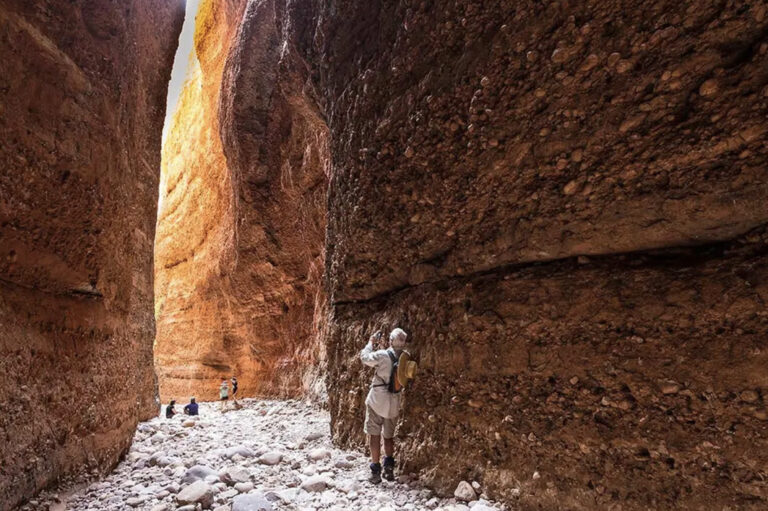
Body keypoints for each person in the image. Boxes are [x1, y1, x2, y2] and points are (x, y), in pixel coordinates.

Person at [360, 327, 408, 484]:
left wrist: (370, 343)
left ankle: (375, 471)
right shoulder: (406, 358)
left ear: (391, 341)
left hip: (377, 401)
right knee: (388, 437)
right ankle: (389, 470)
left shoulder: (382, 355)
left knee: (374, 435)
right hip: (394, 403)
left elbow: (364, 358)